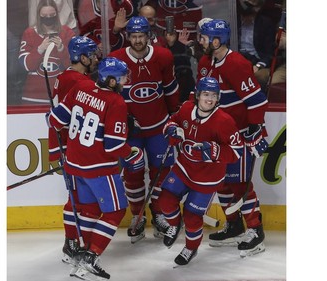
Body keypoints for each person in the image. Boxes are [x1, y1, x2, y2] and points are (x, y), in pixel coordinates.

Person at [47, 57, 145, 280]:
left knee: (89, 209)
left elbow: (54, 120)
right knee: (116, 210)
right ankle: (91, 257)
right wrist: (133, 153)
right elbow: (114, 144)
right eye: (121, 78)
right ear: (110, 81)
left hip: (74, 164)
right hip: (99, 167)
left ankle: (79, 252)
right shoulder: (116, 102)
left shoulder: (81, 86)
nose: (124, 81)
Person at [196, 19, 269, 257]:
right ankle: (235, 224)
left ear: (217, 41)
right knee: (222, 183)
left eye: (204, 38)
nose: (200, 41)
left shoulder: (236, 63)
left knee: (239, 185)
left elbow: (257, 100)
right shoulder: (206, 62)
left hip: (238, 135)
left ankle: (256, 231)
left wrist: (254, 129)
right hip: (216, 136)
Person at [108, 16, 180, 243]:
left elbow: (170, 89)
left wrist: (173, 119)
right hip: (132, 133)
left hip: (158, 127)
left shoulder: (163, 56)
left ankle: (158, 213)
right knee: (133, 174)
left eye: (141, 36)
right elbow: (110, 96)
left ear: (149, 36)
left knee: (162, 173)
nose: (138, 40)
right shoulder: (116, 59)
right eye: (134, 36)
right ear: (128, 37)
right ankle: (137, 215)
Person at [160, 77, 244, 266]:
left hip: (206, 178)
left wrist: (214, 151)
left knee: (192, 217)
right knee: (164, 201)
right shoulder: (186, 109)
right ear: (197, 95)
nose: (209, 99)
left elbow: (237, 151)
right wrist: (172, 130)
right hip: (183, 168)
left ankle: (191, 247)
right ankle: (174, 225)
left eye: (214, 95)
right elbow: (171, 122)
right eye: (206, 94)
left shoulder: (224, 121)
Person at [47, 35, 100, 265]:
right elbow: (67, 119)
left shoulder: (68, 77)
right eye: (93, 54)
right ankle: (71, 241)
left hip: (71, 146)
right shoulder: (77, 81)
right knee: (76, 197)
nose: (96, 58)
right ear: (83, 57)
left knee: (77, 195)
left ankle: (75, 239)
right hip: (70, 147)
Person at [19, 0, 75, 104]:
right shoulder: (29, 33)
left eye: (52, 15)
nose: (48, 18)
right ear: (39, 15)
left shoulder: (67, 32)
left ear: (57, 14)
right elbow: (26, 66)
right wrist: (40, 49)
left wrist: (61, 49)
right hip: (33, 97)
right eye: (44, 15)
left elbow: (74, 66)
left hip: (61, 97)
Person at [237, 0, 276, 91]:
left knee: (259, 77)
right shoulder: (235, 22)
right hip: (239, 58)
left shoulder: (265, 23)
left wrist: (258, 66)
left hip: (258, 61)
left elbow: (270, 52)